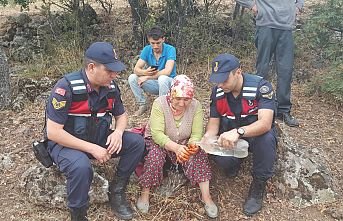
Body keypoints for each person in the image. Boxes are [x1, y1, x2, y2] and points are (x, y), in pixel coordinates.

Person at [45, 42, 145, 221]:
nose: (114, 75)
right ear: (91, 67)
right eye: (109, 70)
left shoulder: (111, 88)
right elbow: (53, 133)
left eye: (115, 71)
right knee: (82, 167)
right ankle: (78, 213)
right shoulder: (66, 88)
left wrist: (118, 132)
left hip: (97, 138)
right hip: (67, 145)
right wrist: (92, 148)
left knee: (137, 143)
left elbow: (121, 115)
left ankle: (117, 191)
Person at [203, 53, 277, 216]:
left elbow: (265, 123)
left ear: (238, 72)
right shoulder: (218, 93)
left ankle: (258, 186)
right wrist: (206, 140)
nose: (221, 84)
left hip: (254, 135)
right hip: (230, 138)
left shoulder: (261, 87)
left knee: (267, 139)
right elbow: (213, 126)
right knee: (223, 161)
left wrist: (239, 132)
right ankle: (234, 163)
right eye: (217, 80)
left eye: (225, 79)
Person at [136, 75, 218, 218]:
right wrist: (176, 148)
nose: (182, 103)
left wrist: (192, 146)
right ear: (171, 95)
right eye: (178, 99)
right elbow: (157, 134)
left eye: (186, 99)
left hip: (184, 141)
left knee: (199, 155)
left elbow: (196, 133)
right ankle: (145, 192)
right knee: (155, 156)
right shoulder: (159, 103)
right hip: (160, 141)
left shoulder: (196, 106)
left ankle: (207, 197)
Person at [236, 0, 304, 127]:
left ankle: (283, 110)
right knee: (262, 70)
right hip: (266, 24)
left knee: (286, 71)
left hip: (286, 27)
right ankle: (258, 108)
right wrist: (252, 5)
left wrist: (298, 6)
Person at [128, 26, 177, 116]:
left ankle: (162, 108)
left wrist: (147, 77)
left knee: (163, 78)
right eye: (152, 43)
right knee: (132, 78)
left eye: (158, 43)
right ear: (149, 41)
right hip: (155, 83)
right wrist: (145, 72)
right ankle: (143, 104)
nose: (155, 46)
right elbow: (136, 69)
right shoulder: (147, 49)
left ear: (163, 39)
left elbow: (167, 71)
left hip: (170, 84)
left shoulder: (170, 49)